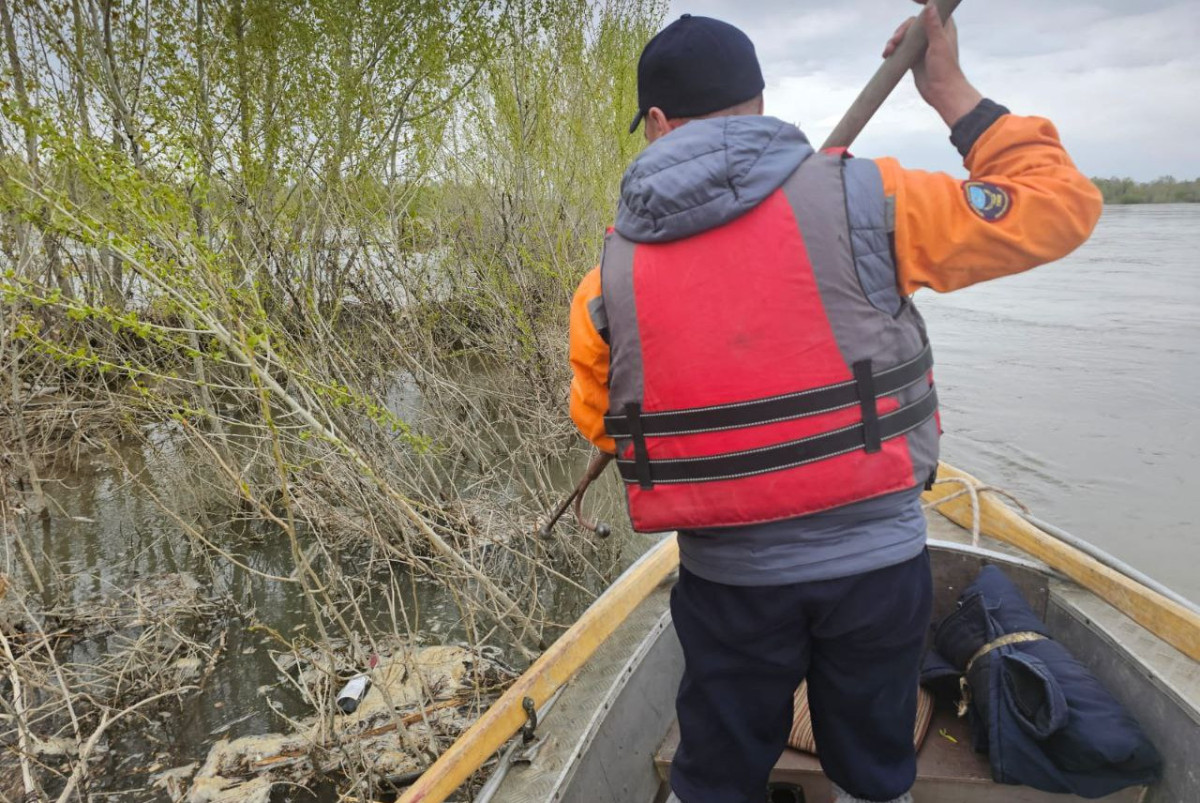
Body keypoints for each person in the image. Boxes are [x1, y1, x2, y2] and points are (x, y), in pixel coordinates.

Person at [567, 4, 1102, 802]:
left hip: (728, 587)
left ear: (656, 122)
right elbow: (1059, 205)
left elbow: (602, 416)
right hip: (877, 571)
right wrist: (950, 90)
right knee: (873, 764)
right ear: (756, 100)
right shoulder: (872, 200)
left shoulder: (607, 278)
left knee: (713, 772)